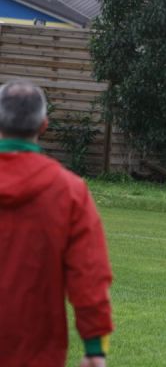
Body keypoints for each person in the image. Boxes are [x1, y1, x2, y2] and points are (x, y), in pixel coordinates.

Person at [0, 80, 113, 367]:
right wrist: (94, 348)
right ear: (43, 126)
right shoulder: (70, 191)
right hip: (37, 353)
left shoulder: (69, 191)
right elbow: (89, 275)